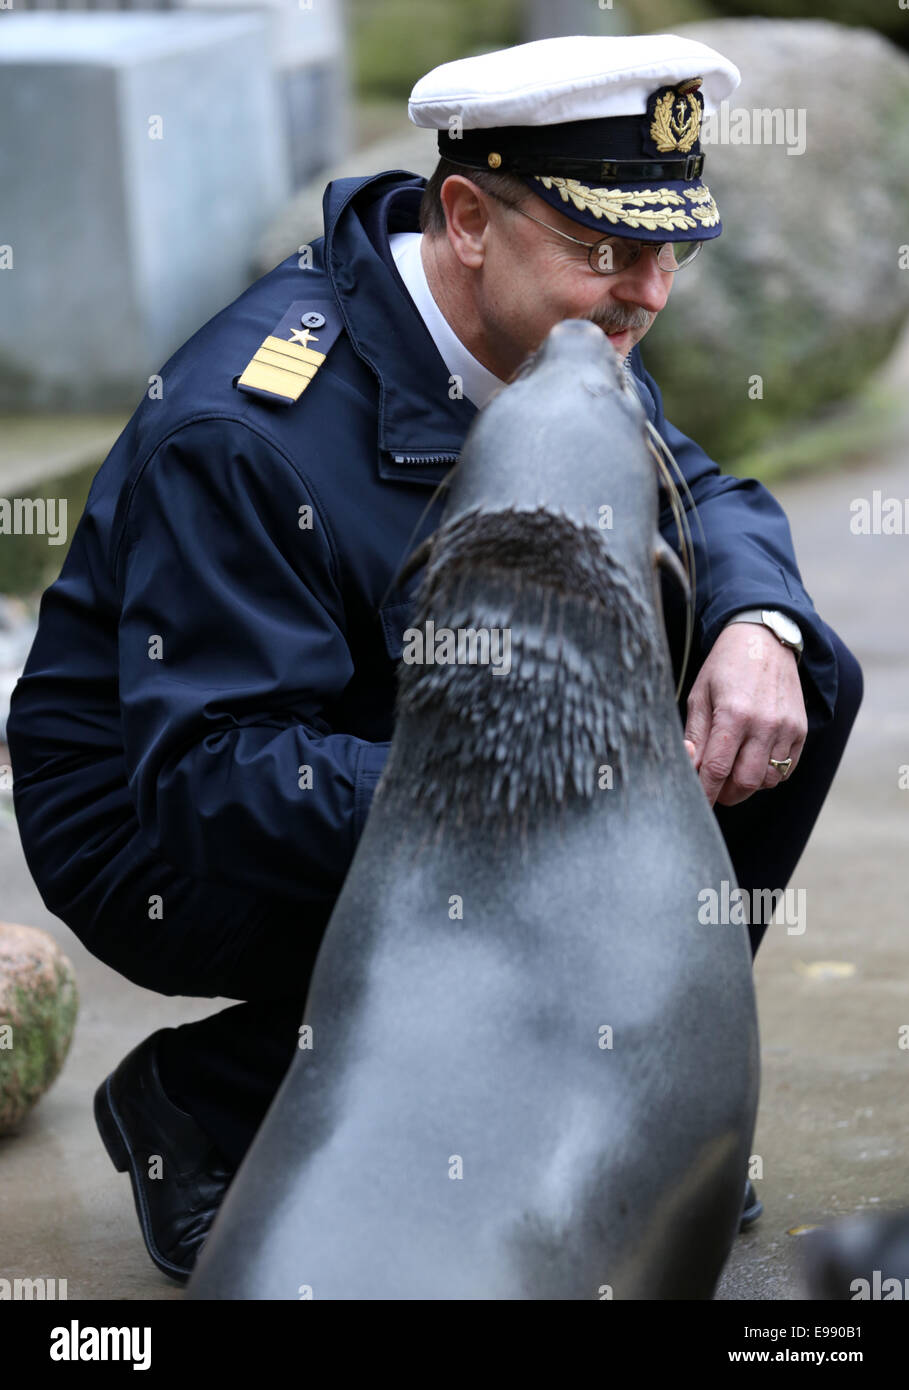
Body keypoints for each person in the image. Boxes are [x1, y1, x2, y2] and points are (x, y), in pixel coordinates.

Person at [6, 33, 863, 1284]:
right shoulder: (248, 429)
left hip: (399, 709)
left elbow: (696, 491)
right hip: (166, 815)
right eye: (608, 248)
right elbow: (214, 772)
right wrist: (530, 803)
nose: (648, 292)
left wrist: (758, 629)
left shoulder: (561, 324)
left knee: (795, 683)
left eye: (669, 251)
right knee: (543, 862)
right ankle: (212, 1103)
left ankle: (612, 1086)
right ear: (466, 216)